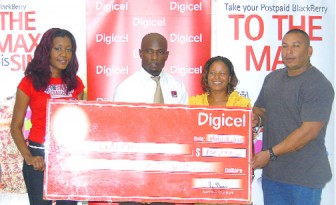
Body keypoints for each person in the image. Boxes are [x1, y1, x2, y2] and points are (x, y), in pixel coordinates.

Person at [251, 28, 334, 205]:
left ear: (309, 51)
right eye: (285, 46)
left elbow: (308, 132)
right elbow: (261, 110)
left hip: (304, 177)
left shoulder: (318, 84)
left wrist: (270, 154)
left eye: (296, 46)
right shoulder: (272, 78)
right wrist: (256, 119)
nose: (289, 52)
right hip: (273, 176)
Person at [10, 28, 85, 205]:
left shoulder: (76, 83)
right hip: (38, 157)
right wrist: (28, 157)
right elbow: (15, 126)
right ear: (47, 51)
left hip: (67, 157)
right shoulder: (29, 82)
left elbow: (79, 124)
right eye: (58, 48)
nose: (64, 54)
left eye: (69, 49)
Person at [189, 56, 251, 205]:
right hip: (203, 180)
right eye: (212, 73)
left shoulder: (242, 104)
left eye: (222, 73)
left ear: (230, 77)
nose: (217, 77)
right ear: (206, 76)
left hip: (233, 180)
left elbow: (247, 143)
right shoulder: (194, 103)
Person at [113, 32, 188, 105]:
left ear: (166, 55)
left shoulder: (178, 86)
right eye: (149, 51)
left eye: (160, 52)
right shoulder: (125, 89)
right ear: (140, 53)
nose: (154, 57)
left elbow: (185, 117)